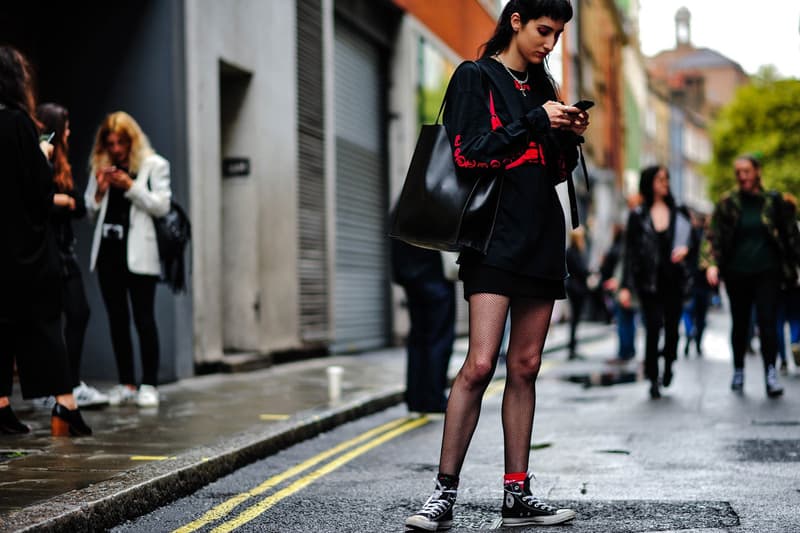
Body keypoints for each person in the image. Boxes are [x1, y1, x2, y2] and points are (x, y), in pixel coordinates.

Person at [405, 1, 586, 529]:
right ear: (516, 22)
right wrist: (535, 121)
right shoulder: (475, 76)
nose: (548, 44)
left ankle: (517, 494)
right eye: (543, 31)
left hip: (541, 237)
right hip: (492, 238)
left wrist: (567, 134)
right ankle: (443, 493)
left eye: (556, 36)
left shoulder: (544, 88)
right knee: (480, 364)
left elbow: (553, 170)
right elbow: (467, 153)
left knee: (526, 367)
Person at [0, 45, 91, 436]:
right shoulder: (19, 124)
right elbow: (37, 193)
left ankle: (1, 406)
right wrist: (41, 154)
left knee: (1, 325)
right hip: (25, 248)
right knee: (46, 321)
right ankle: (65, 407)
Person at [85, 112, 171, 407]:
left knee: (144, 319)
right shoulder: (102, 167)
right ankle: (127, 383)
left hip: (139, 255)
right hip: (109, 255)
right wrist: (100, 190)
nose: (117, 149)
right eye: (111, 143)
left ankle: (150, 384)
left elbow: (162, 206)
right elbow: (90, 211)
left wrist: (130, 187)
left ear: (132, 141)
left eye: (122, 142)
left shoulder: (154, 165)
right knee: (117, 320)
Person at [705, 155, 800, 397]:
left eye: (746, 171)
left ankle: (771, 373)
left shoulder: (773, 201)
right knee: (740, 324)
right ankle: (739, 370)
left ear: (757, 171)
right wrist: (712, 264)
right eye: (738, 172)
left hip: (768, 271)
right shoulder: (728, 202)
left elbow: (791, 238)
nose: (742, 176)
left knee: (768, 323)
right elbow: (713, 235)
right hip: (737, 272)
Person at [36, 103, 109, 408]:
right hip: (45, 253)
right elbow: (35, 201)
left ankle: (69, 383)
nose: (68, 132)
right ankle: (50, 388)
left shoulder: (62, 163)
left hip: (65, 252)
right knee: (48, 320)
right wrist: (61, 201)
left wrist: (66, 200)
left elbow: (78, 204)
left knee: (78, 313)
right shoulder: (42, 157)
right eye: (64, 126)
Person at [619, 166, 692, 399]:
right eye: (660, 178)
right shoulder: (638, 214)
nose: (665, 182)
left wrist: (687, 251)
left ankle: (669, 362)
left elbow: (694, 242)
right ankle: (652, 376)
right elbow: (629, 253)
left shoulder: (679, 211)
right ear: (649, 182)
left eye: (667, 178)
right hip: (648, 281)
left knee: (672, 330)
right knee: (652, 328)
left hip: (674, 280)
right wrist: (626, 286)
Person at [390, 239, 455, 414]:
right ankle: (433, 399)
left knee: (417, 339)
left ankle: (415, 399)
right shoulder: (435, 210)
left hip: (410, 276)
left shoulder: (400, 210)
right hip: (435, 273)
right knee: (439, 339)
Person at [775, 193, 800, 375]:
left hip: (774, 283)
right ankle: (795, 343)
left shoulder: (772, 230)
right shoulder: (796, 228)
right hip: (795, 282)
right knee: (795, 318)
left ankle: (782, 359)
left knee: (777, 321)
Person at [681, 211, 711, 358]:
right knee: (701, 315)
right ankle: (698, 342)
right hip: (703, 282)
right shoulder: (708, 238)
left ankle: (689, 332)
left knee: (688, 311)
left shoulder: (689, 237)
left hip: (691, 281)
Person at [565, 228, 590, 360]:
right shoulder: (573, 252)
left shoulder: (575, 251)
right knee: (575, 319)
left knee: (575, 319)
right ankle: (572, 348)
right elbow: (581, 270)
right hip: (576, 289)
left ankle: (573, 346)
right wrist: (589, 272)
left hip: (576, 288)